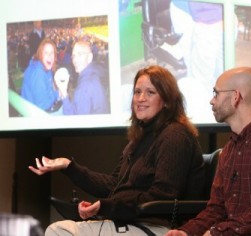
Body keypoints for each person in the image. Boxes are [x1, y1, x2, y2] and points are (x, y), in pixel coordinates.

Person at [29, 65, 205, 235]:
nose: (140, 98)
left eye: (150, 92)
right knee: (61, 228)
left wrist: (107, 206)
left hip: (159, 227)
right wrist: (68, 166)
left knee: (59, 231)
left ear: (166, 101)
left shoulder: (175, 135)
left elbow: (163, 197)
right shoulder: (139, 140)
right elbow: (114, 185)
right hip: (130, 223)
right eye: (137, 92)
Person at [166, 67, 251, 236]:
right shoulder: (230, 149)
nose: (211, 101)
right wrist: (185, 232)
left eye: (216, 94)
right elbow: (216, 209)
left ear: (235, 96)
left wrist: (216, 233)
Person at [56, 40, 110, 115]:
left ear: (90, 57)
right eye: (74, 56)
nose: (75, 60)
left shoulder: (84, 87)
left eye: (80, 54)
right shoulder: (96, 71)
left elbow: (75, 122)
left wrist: (64, 93)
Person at [21, 38, 60, 111]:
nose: (49, 56)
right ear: (40, 54)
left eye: (52, 53)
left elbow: (50, 89)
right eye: (46, 53)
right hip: (34, 114)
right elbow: (43, 105)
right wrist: (58, 94)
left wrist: (56, 93)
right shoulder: (38, 73)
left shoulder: (44, 66)